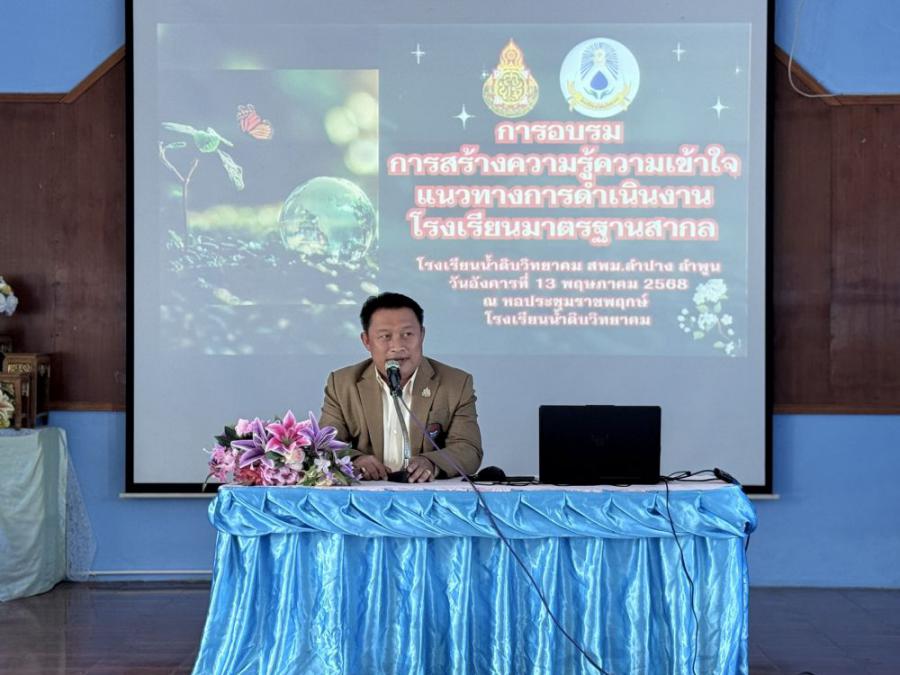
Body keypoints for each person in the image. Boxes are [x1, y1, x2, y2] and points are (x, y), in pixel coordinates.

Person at [319, 292, 483, 482]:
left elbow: (468, 449)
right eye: (385, 336)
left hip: (427, 494)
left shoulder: (455, 383)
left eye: (407, 334)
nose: (397, 346)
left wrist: (431, 463)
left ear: (422, 335)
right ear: (366, 341)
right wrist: (355, 460)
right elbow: (324, 444)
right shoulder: (342, 384)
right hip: (366, 493)